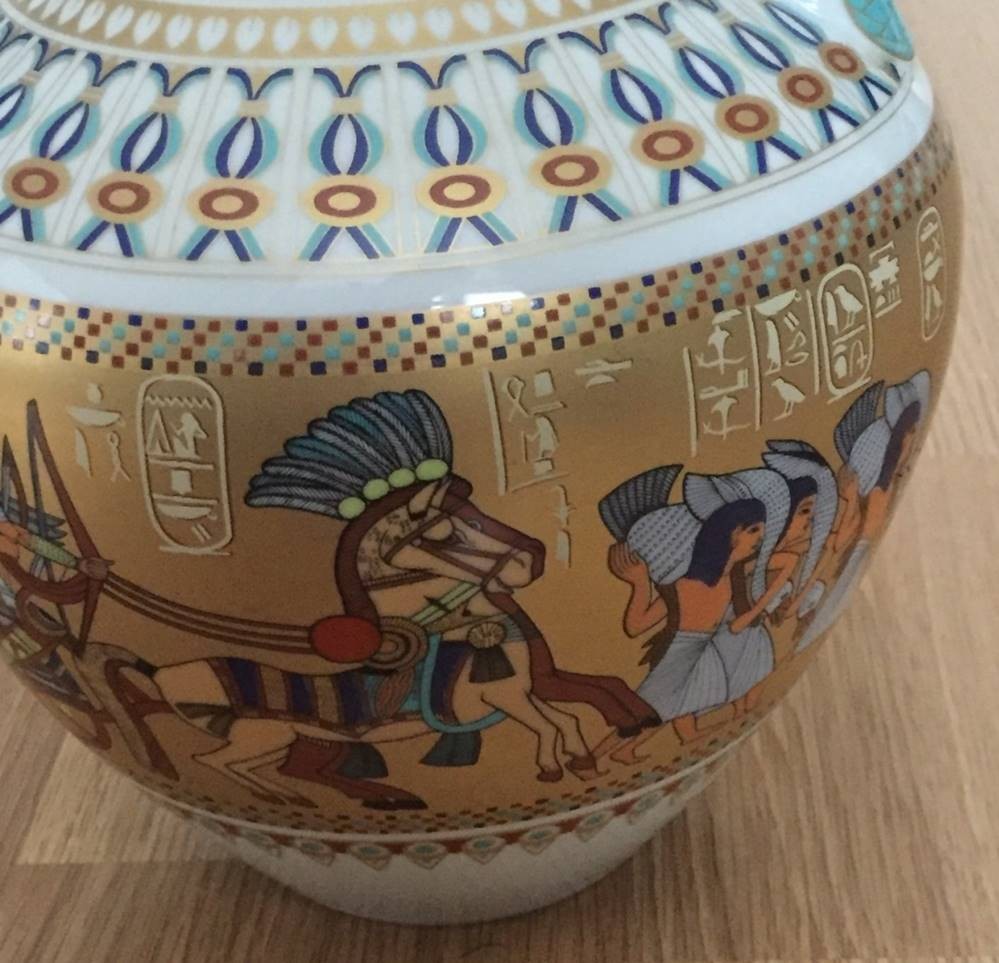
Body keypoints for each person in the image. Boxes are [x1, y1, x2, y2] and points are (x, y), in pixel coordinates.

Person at [596, 468, 789, 762]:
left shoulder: (732, 574)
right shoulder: (686, 582)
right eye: (752, 531)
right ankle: (591, 758)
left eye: (761, 532)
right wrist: (640, 583)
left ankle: (625, 750)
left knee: (669, 707)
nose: (759, 539)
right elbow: (636, 626)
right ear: (728, 531)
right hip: (680, 651)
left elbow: (788, 559)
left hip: (702, 651)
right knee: (646, 711)